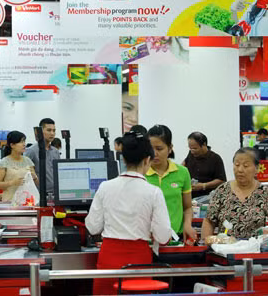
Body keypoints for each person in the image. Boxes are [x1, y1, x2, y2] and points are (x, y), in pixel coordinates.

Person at [86, 131, 171, 295]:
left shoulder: (105, 187)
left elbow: (93, 227)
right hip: (139, 261)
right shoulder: (153, 192)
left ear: (123, 159)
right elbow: (163, 236)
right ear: (147, 160)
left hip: (109, 259)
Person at [201, 148, 268, 240]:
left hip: (255, 247)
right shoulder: (222, 191)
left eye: (246, 166)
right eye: (237, 165)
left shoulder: (265, 193)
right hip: (225, 247)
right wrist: (207, 241)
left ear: (257, 168)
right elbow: (209, 221)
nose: (240, 170)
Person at [146, 125, 196, 245]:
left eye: (159, 148)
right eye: (151, 148)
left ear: (170, 148)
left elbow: (187, 207)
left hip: (176, 238)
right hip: (147, 239)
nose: (154, 153)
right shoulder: (141, 173)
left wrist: (187, 225)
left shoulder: (182, 172)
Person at [0, 131, 38, 203]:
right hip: (9, 201)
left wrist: (35, 178)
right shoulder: (4, 162)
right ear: (12, 145)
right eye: (21, 142)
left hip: (27, 201)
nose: (24, 144)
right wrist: (12, 183)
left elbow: (36, 183)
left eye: (24, 141)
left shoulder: (28, 161)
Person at [182, 132, 226, 198]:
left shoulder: (215, 158)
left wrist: (203, 186)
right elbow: (185, 162)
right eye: (190, 148)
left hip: (207, 197)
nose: (192, 151)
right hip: (190, 195)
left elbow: (221, 180)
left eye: (195, 148)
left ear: (204, 144)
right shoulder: (191, 153)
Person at [24, 118, 60, 195]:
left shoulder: (56, 152)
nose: (52, 133)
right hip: (38, 193)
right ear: (41, 131)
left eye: (54, 131)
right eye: (49, 130)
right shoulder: (31, 151)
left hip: (54, 193)